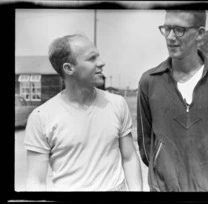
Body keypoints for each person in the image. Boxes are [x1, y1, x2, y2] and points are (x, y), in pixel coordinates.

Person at [137, 10, 208, 192]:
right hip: (163, 188)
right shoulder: (149, 81)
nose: (170, 37)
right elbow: (145, 142)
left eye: (179, 29)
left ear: (200, 33)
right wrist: (161, 171)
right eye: (166, 29)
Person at [24, 34, 143, 191]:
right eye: (92, 58)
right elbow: (36, 181)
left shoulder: (116, 104)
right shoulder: (41, 117)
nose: (102, 63)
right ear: (69, 68)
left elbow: (129, 158)